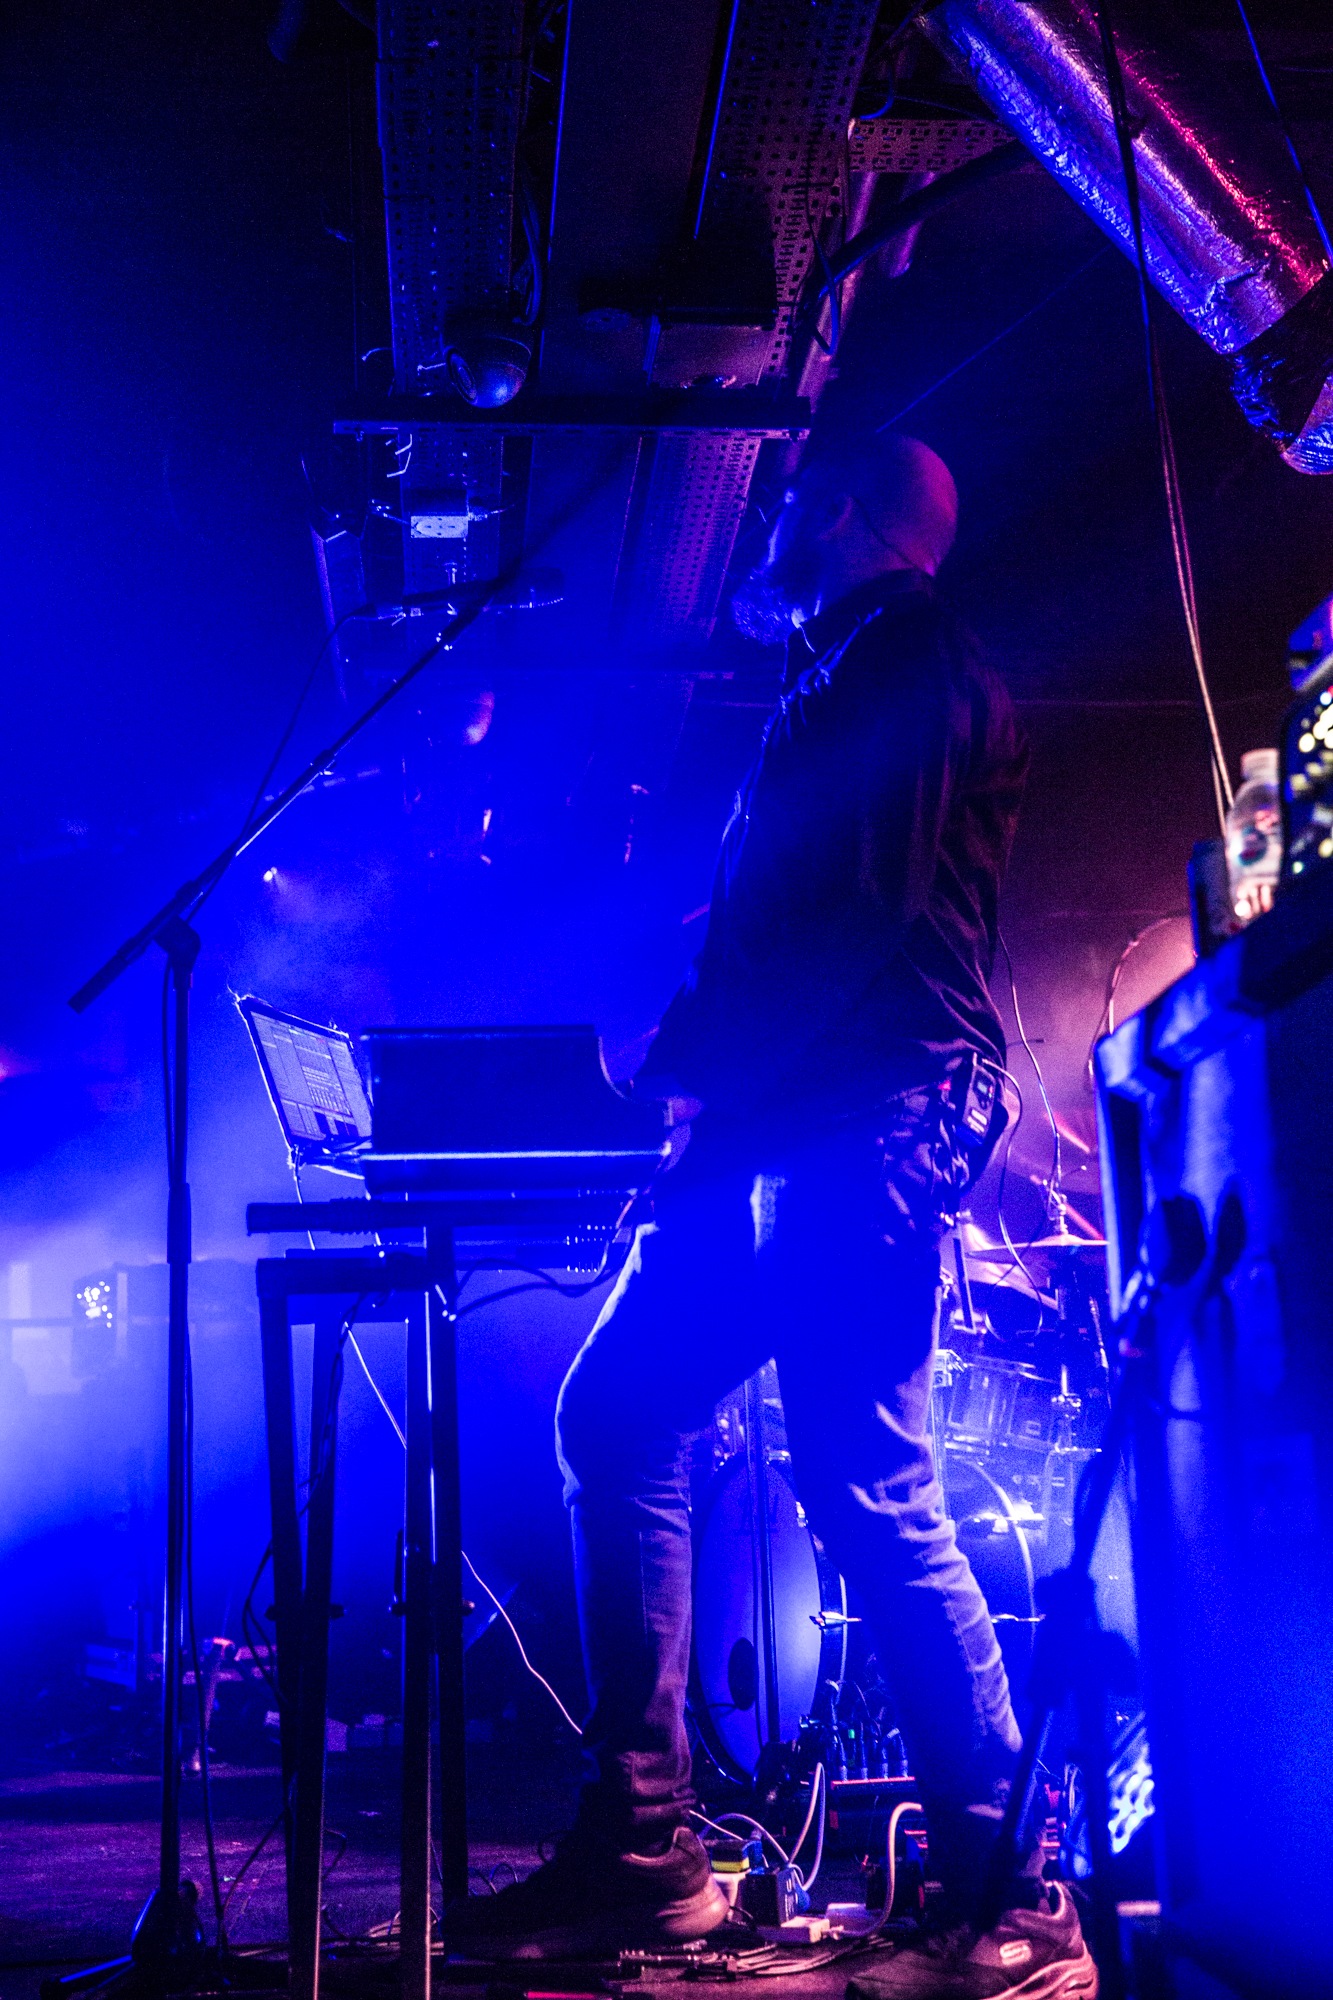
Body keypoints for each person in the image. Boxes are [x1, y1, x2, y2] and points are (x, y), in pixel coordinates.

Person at [446, 435, 1096, 1998]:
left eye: (795, 499)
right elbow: (785, 928)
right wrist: (682, 1083)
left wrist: (681, 1079)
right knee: (621, 1412)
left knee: (867, 1484)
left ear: (853, 517)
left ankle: (1016, 1899)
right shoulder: (845, 669)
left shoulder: (907, 660)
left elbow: (855, 920)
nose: (771, 517)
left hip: (869, 1116)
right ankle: (645, 1855)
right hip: (795, 1118)